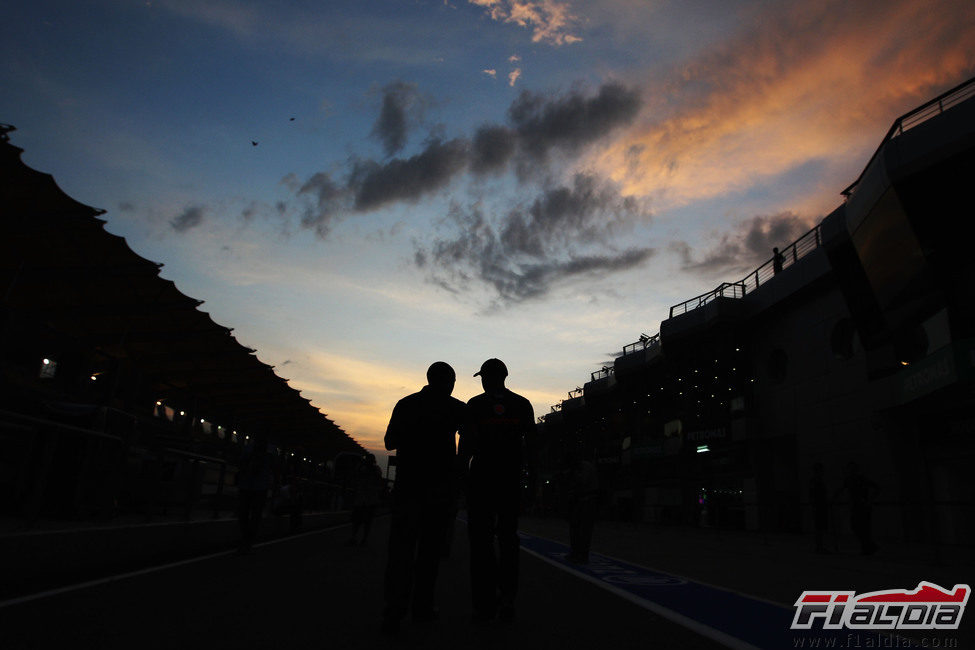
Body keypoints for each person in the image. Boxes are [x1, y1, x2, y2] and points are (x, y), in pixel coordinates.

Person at [382, 362, 466, 634]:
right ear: (451, 381)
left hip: (408, 488)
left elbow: (389, 442)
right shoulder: (456, 408)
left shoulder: (406, 404)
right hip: (439, 491)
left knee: (400, 552)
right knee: (429, 553)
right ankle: (422, 608)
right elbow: (471, 441)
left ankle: (393, 611)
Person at [459, 358, 538, 623]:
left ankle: (484, 603)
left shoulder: (475, 405)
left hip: (482, 481)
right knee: (508, 540)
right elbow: (534, 448)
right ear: (505, 376)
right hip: (509, 480)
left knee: (481, 543)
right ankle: (507, 599)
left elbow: (466, 445)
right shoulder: (522, 404)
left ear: (485, 378)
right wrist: (532, 484)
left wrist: (462, 478)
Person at [236, 432, 275, 554]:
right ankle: (248, 539)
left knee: (246, 513)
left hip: (250, 485)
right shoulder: (270, 451)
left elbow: (240, 463)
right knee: (253, 514)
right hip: (257, 486)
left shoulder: (250, 447)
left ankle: (247, 538)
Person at [835, 462, 880, 555]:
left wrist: (870, 500)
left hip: (862, 506)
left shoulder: (861, 479)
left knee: (862, 527)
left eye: (852, 469)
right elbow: (841, 489)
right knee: (856, 526)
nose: (851, 471)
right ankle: (868, 546)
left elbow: (876, 487)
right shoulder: (849, 480)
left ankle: (867, 548)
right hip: (855, 506)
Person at [565, 448, 598, 564]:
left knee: (583, 530)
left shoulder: (584, 468)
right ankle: (576, 553)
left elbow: (582, 483)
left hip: (586, 501)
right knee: (576, 529)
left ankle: (582, 555)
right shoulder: (580, 468)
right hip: (580, 501)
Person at [347, 454, 383, 546]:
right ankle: (361, 538)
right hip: (366, 499)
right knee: (364, 521)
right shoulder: (373, 470)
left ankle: (356, 538)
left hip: (365, 499)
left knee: (360, 521)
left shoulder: (370, 469)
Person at [809, 462, 830, 554]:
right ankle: (819, 546)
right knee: (819, 527)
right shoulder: (815, 481)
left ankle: (820, 546)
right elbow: (813, 494)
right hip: (818, 506)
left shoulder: (819, 481)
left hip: (821, 506)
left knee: (821, 527)